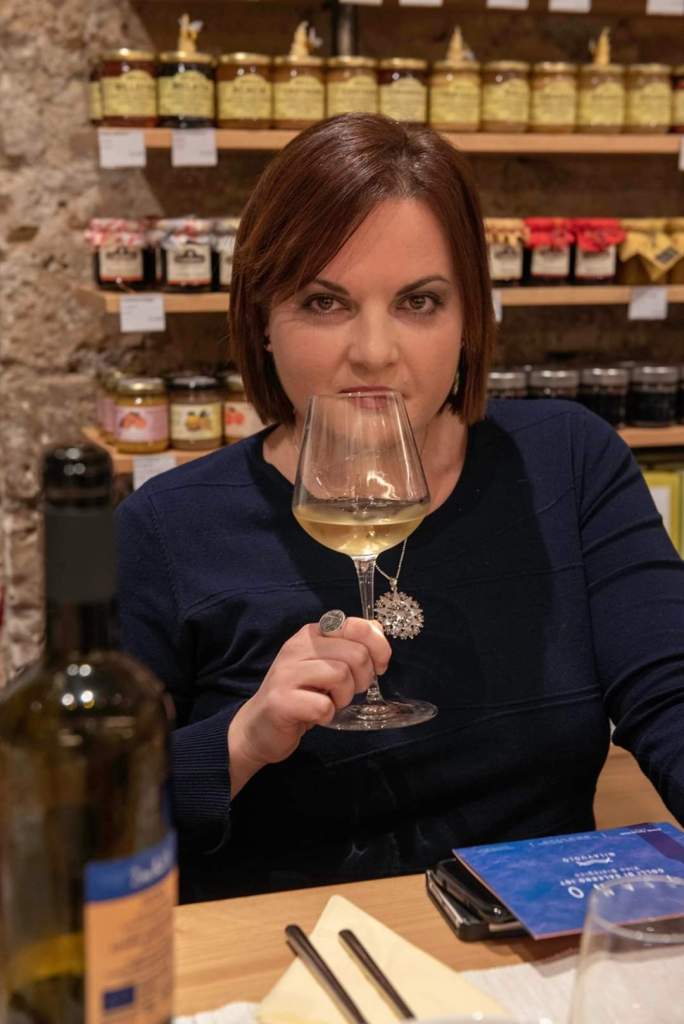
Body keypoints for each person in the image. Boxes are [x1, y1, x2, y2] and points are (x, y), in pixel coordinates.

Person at [117, 113, 684, 904]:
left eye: (419, 302)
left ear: (470, 318)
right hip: (286, 955)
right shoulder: (165, 528)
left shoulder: (569, 461)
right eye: (325, 302)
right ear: (262, 321)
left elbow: (670, 698)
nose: (375, 352)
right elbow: (82, 815)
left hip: (531, 943)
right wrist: (242, 739)